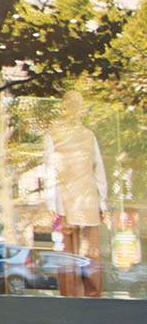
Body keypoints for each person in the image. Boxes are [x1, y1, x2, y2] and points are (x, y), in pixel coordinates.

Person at [43, 90, 108, 297]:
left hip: (82, 201)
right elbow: (50, 171)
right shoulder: (57, 135)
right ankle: (78, 298)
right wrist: (53, 204)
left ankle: (83, 298)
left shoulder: (86, 135)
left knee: (84, 253)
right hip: (70, 201)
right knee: (74, 254)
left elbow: (98, 170)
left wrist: (102, 203)